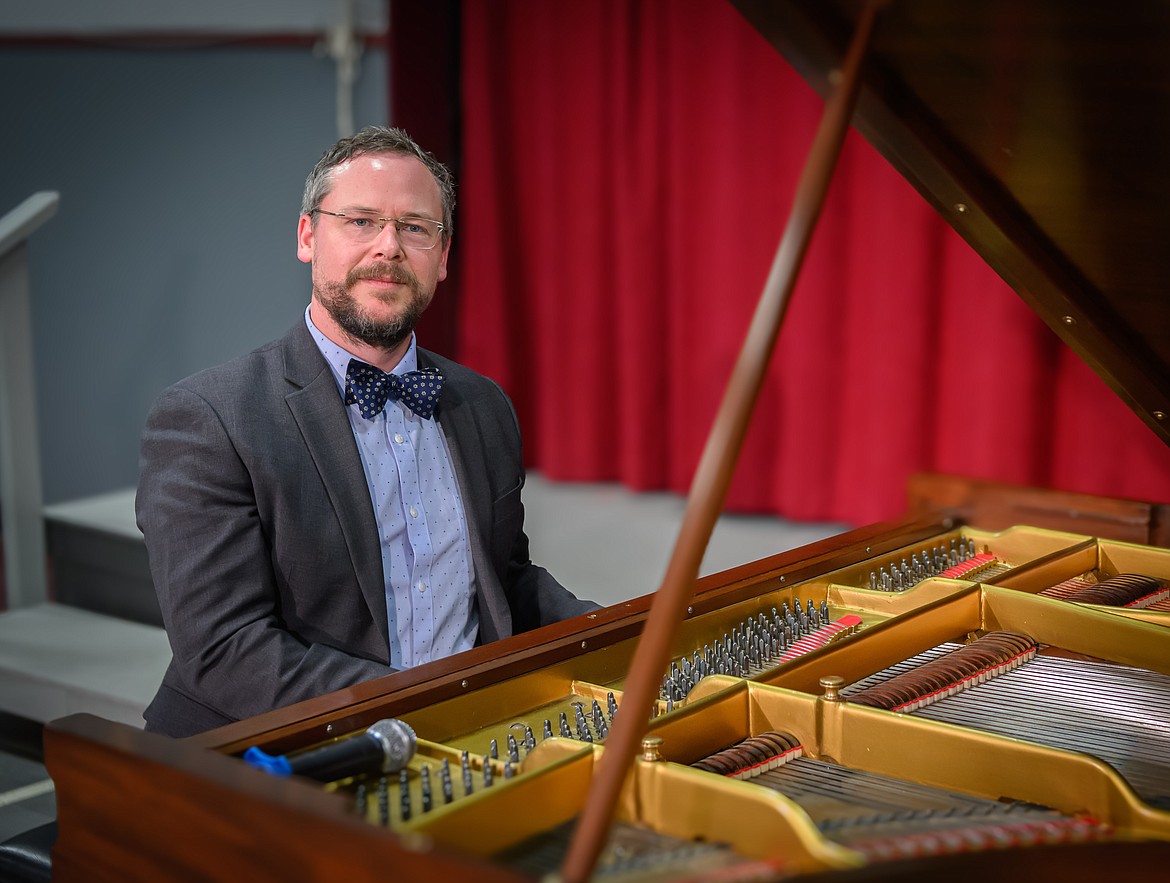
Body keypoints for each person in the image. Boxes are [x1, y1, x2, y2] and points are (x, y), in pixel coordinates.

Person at [136, 126, 597, 738]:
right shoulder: (210, 418)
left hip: (455, 736)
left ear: (444, 255)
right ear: (307, 236)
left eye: (415, 227)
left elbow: (503, 580)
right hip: (274, 754)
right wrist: (420, 708)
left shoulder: (481, 405)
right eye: (360, 221)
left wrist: (619, 631)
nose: (389, 247)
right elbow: (226, 650)